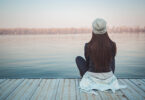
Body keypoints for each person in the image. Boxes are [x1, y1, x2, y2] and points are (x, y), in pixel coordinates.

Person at [75, 18, 127, 95]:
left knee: (78, 58)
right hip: (108, 77)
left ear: (93, 30)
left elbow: (88, 62)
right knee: (111, 59)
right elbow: (112, 63)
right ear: (105, 30)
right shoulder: (112, 44)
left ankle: (89, 78)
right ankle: (107, 76)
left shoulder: (88, 46)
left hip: (92, 77)